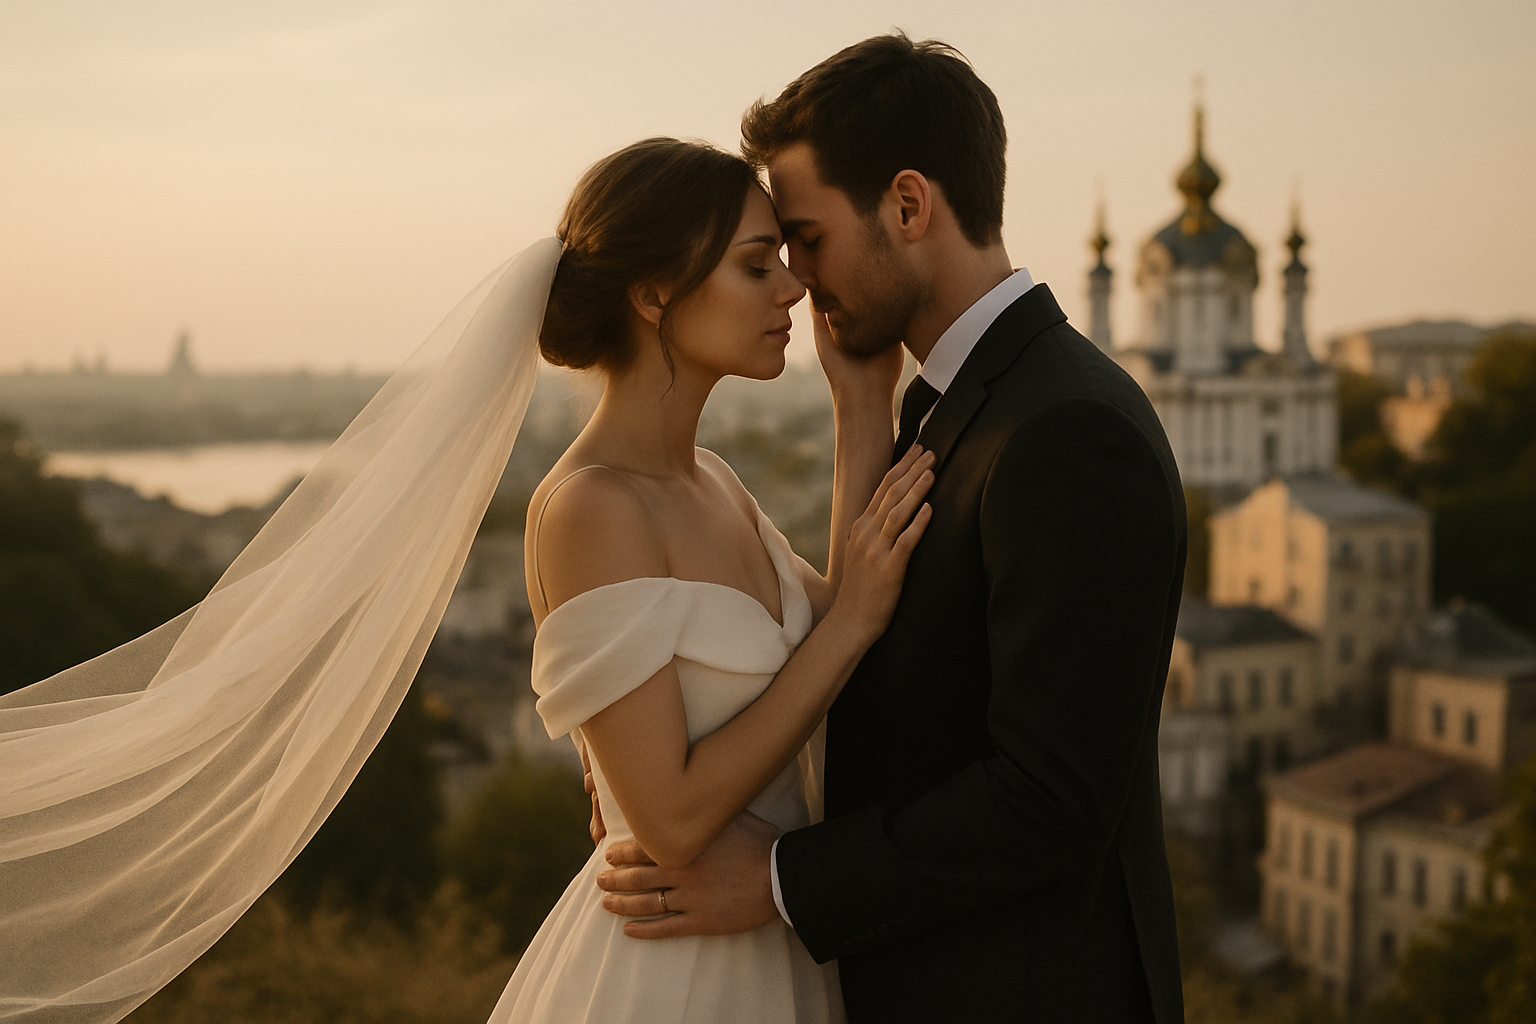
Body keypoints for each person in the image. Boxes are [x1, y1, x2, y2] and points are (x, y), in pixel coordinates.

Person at [596, 34, 1189, 1024]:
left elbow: (1053, 796)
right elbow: (880, 678)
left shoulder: (1067, 429)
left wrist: (780, 878)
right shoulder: (953, 403)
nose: (797, 279)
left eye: (808, 238)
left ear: (909, 207)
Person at [487, 137, 933, 1023]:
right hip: (675, 975)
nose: (793, 288)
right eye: (756, 265)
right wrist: (850, 622)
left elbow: (843, 626)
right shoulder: (591, 509)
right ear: (654, 294)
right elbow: (674, 821)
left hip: (772, 942)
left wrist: (860, 402)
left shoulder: (715, 481)